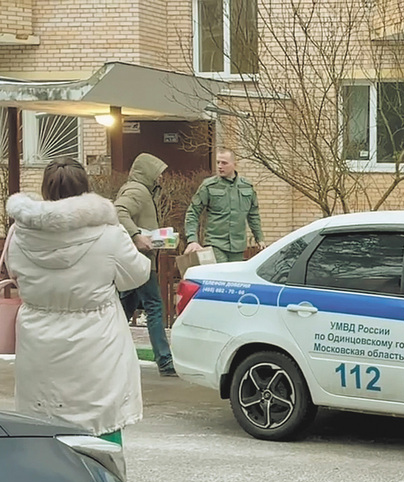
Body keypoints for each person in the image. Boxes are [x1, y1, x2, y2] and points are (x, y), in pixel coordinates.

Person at [5, 157, 150, 444]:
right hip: (97, 344)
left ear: (45, 190)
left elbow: (14, 273)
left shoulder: (19, 234)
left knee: (43, 429)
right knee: (101, 431)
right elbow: (136, 275)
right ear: (85, 189)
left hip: (39, 344)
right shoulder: (109, 233)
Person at [114, 152, 176, 377]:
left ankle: (105, 352)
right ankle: (165, 361)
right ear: (147, 172)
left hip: (134, 261)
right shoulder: (138, 191)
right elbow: (118, 211)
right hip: (140, 262)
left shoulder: (139, 190)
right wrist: (137, 235)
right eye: (158, 173)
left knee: (123, 310)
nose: (160, 178)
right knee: (154, 306)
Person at [184, 147, 265, 263]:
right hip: (215, 243)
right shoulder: (209, 186)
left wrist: (259, 238)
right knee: (222, 272)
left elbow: (253, 215)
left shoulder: (247, 187)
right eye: (218, 162)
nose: (220, 166)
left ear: (234, 164)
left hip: (238, 246)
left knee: (234, 274)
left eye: (224, 163)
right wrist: (192, 239)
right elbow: (193, 212)